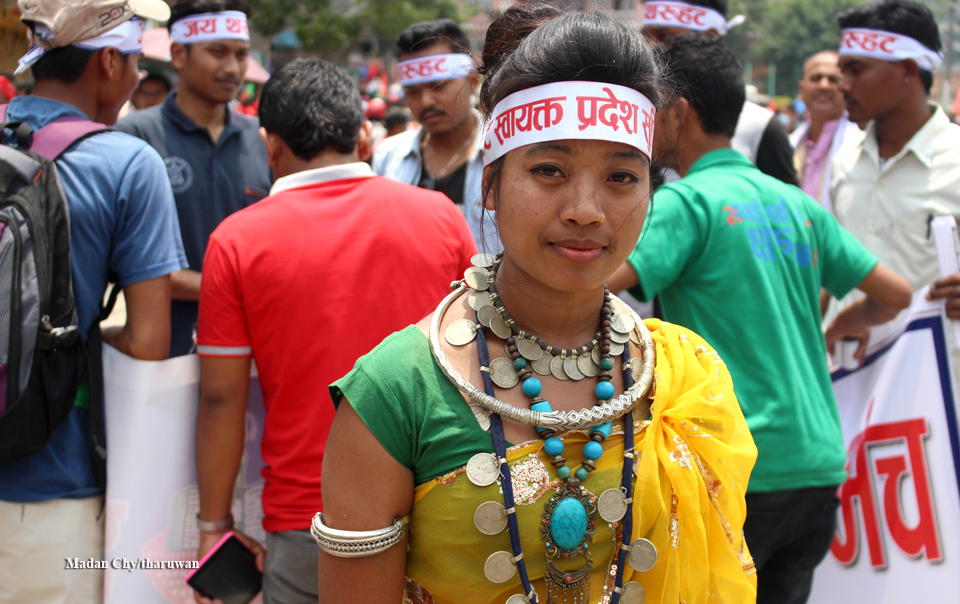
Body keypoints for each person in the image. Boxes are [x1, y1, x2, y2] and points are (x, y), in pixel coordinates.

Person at [317, 7, 759, 604]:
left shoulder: (683, 378)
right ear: (492, 184)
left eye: (622, 177)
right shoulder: (397, 390)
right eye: (549, 169)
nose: (586, 208)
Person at [606, 34, 912, 604]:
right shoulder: (795, 202)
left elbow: (587, 285)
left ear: (678, 113)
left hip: (741, 469)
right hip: (819, 465)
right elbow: (893, 293)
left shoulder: (687, 204)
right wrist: (845, 325)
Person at [193, 58, 477, 604]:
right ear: (363, 135)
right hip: (443, 502)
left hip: (314, 522)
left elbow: (221, 398)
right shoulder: (440, 215)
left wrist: (213, 524)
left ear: (270, 144)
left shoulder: (236, 242)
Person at [0, 0, 188, 602]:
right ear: (109, 61)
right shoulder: (126, 163)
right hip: (51, 485)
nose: (137, 78)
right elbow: (149, 340)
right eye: (134, 62)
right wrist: (79, 336)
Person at [115, 0, 271, 357]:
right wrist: (237, 287)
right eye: (217, 52)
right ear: (179, 55)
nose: (233, 67)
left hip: (252, 350)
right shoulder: (135, 136)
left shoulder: (262, 138)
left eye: (242, 54)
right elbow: (127, 262)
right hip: (163, 352)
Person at [830, 0, 960, 337]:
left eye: (856, 70)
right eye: (843, 70)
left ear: (908, 70)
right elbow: (831, 266)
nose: (842, 84)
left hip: (935, 374)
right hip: (847, 371)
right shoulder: (846, 160)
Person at [372, 19, 499, 253]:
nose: (425, 102)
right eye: (412, 92)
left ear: (472, 80)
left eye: (438, 86)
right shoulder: (388, 156)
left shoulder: (504, 152)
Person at [642, 0, 799, 186]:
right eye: (644, 37)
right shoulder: (640, 118)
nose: (649, 50)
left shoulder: (761, 126)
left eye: (663, 36)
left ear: (711, 37)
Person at [789, 51, 861, 212]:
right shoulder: (790, 144)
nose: (824, 85)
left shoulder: (862, 144)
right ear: (802, 89)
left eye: (834, 79)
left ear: (846, 88)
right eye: (816, 78)